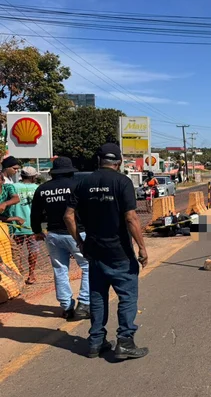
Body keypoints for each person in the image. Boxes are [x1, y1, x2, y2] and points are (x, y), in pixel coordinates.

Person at [64, 143, 149, 360]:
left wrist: (79, 242)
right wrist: (142, 247)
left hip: (94, 250)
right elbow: (131, 217)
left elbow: (68, 216)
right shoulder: (122, 182)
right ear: (119, 162)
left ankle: (95, 342)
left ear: (98, 160)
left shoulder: (82, 182)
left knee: (98, 296)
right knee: (127, 296)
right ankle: (125, 341)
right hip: (119, 252)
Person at [31, 157, 90, 320]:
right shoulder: (77, 186)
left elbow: (35, 214)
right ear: (71, 172)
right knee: (88, 265)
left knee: (60, 270)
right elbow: (87, 210)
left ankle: (66, 307)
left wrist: (37, 231)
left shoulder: (42, 189)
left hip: (53, 235)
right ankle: (84, 303)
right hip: (77, 233)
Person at [12, 167, 40, 285]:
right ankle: (31, 274)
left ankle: (17, 275)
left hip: (15, 225)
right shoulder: (37, 188)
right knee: (33, 250)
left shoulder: (13, 186)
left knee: (15, 251)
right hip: (32, 226)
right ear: (33, 177)